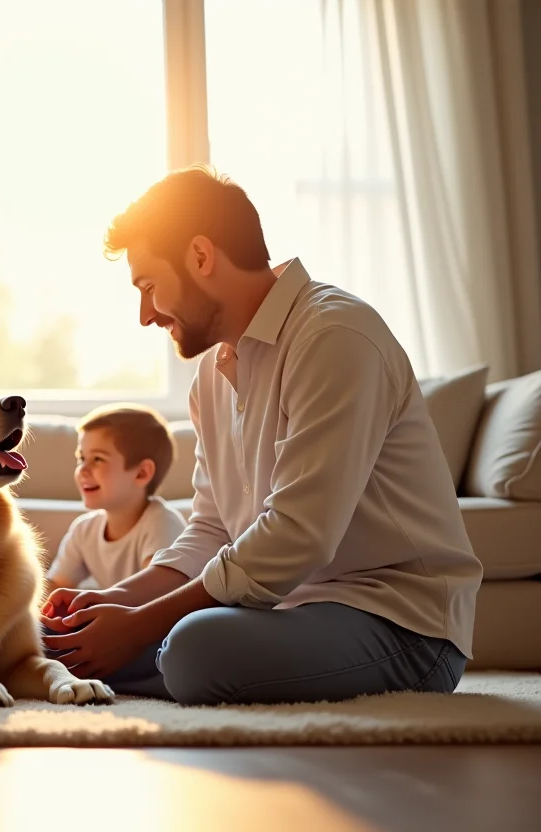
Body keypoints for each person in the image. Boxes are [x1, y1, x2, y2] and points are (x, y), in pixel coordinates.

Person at [42, 166, 483, 705]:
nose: (144, 315)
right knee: (59, 641)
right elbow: (209, 529)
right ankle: (135, 655)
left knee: (193, 649)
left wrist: (137, 626)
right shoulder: (211, 375)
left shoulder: (333, 337)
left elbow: (298, 534)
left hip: (402, 625)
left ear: (201, 256)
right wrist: (113, 601)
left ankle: (164, 660)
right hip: (281, 614)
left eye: (149, 286)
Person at [44, 403, 186, 596]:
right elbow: (54, 587)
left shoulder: (161, 523)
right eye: (81, 458)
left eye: (98, 459)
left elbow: (152, 593)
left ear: (142, 473)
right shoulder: (84, 530)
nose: (83, 470)